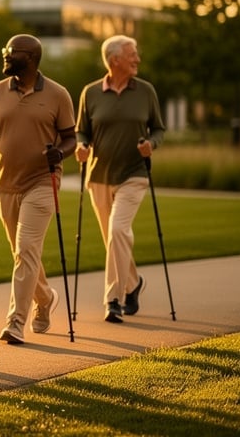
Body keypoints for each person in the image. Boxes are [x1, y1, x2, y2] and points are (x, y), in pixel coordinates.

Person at [0, 34, 76, 344]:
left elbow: (70, 137)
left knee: (26, 249)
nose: (6, 57)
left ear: (32, 59)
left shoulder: (57, 94)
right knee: (21, 253)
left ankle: (15, 321)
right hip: (5, 184)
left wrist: (60, 152)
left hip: (42, 182)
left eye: (12, 53)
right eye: (6, 50)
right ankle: (46, 297)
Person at [74, 35, 166, 323]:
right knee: (112, 238)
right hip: (99, 175)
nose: (137, 59)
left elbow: (159, 130)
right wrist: (81, 146)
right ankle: (133, 282)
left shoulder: (146, 91)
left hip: (134, 174)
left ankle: (113, 299)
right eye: (132, 55)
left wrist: (151, 144)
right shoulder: (90, 93)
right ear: (115, 60)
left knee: (118, 231)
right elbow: (81, 131)